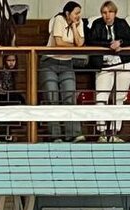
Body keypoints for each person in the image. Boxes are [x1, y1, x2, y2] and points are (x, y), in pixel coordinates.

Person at [86, 2, 130, 142]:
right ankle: (102, 132)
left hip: (123, 64)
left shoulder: (122, 23)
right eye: (104, 12)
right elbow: (91, 41)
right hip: (104, 66)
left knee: (119, 98)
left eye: (110, 12)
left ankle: (114, 132)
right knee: (101, 97)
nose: (107, 15)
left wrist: (120, 42)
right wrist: (109, 45)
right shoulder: (97, 24)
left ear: (115, 13)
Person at [42, 2, 87, 142]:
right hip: (50, 63)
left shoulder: (79, 23)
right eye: (76, 13)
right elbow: (59, 43)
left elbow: (80, 43)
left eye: (79, 13)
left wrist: (74, 26)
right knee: (52, 98)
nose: (78, 16)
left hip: (67, 63)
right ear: (68, 13)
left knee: (69, 97)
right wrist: (74, 46)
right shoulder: (59, 19)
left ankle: (73, 134)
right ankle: (55, 136)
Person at [0, 52, 25, 142]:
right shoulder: (1, 69)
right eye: (9, 60)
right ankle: (4, 135)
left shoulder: (15, 71)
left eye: (13, 60)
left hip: (11, 95)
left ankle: (9, 134)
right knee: (4, 115)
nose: (11, 63)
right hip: (1, 96)